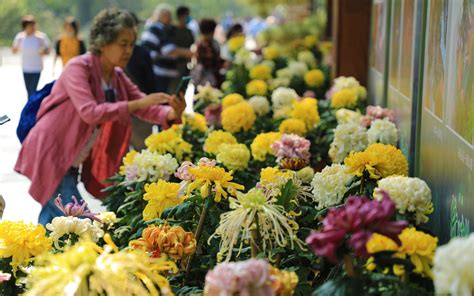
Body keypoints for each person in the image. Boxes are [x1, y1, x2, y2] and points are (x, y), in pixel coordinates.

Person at [15, 8, 185, 225]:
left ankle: (37, 256)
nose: (129, 51)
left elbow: (144, 107)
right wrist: (136, 104)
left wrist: (172, 112)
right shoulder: (78, 68)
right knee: (78, 224)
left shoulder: (116, 75)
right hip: (52, 152)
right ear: (103, 43)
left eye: (132, 44)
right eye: (122, 44)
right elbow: (90, 112)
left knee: (54, 222)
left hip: (72, 158)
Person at [141, 4, 193, 92]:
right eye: (169, 16)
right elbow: (169, 50)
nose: (170, 20)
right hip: (159, 73)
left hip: (161, 72)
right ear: (163, 16)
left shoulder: (159, 28)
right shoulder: (157, 28)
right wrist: (191, 53)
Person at [12, 15, 51, 99]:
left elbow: (48, 50)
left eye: (33, 25)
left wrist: (43, 51)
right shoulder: (20, 37)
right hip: (25, 67)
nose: (32, 27)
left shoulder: (40, 37)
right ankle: (31, 107)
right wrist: (15, 49)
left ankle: (31, 109)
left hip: (37, 67)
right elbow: (14, 50)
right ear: (25, 27)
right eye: (30, 26)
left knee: (32, 90)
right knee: (29, 90)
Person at [192, 19, 225, 87]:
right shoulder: (204, 45)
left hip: (207, 78)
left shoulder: (211, 43)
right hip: (207, 79)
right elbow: (211, 61)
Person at [168, 5, 195, 91]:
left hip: (185, 67)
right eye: (187, 15)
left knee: (182, 91)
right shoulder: (171, 30)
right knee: (173, 91)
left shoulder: (189, 32)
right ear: (181, 16)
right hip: (173, 67)